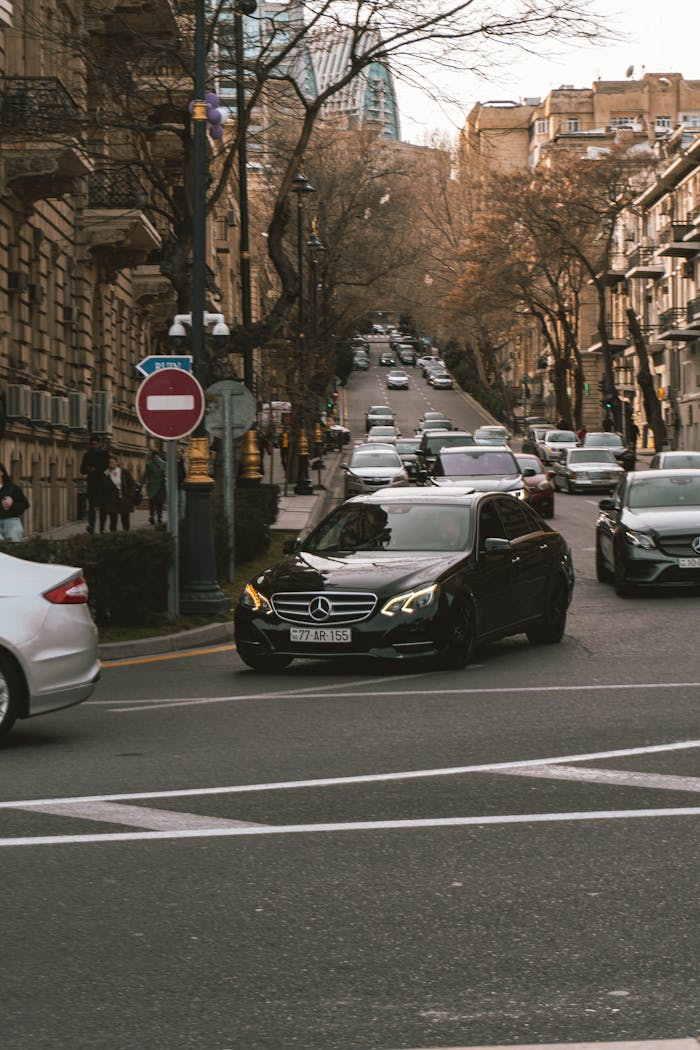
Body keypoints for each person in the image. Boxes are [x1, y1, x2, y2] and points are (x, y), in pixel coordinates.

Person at [99, 453, 138, 532]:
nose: (111, 464)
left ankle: (126, 534)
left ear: (116, 463)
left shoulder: (124, 472)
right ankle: (114, 535)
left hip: (124, 499)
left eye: (112, 462)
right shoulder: (105, 473)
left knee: (125, 519)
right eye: (109, 462)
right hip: (112, 500)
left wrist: (130, 494)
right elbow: (102, 487)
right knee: (113, 520)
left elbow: (132, 484)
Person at [80, 434, 109, 534]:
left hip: (102, 483)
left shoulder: (104, 453)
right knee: (92, 507)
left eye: (95, 444)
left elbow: (106, 466)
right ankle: (91, 526)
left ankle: (102, 528)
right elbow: (82, 470)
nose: (93, 446)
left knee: (103, 507)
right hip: (92, 483)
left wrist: (96, 469)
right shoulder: (87, 455)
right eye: (92, 444)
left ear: (99, 444)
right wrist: (88, 469)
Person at [0, 463, 29, 542]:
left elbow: (25, 504)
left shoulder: (12, 488)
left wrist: (12, 504)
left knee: (14, 547)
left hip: (11, 522)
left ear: (1, 472)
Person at [141, 448, 166, 526]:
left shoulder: (150, 464)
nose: (156, 457)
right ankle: (158, 517)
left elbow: (145, 475)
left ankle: (154, 516)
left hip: (154, 486)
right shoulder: (163, 463)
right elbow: (145, 475)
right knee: (158, 503)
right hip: (160, 486)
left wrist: (140, 484)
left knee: (154, 502)